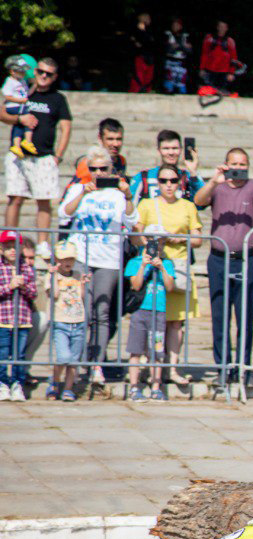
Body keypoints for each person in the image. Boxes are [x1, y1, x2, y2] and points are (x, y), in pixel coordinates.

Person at [193, 147, 253, 384]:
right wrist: (215, 179)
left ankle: (243, 368)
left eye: (243, 164)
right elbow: (198, 200)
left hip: (246, 259)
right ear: (225, 164)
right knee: (219, 315)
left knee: (245, 316)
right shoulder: (219, 186)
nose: (238, 168)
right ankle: (223, 367)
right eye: (234, 163)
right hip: (218, 259)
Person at [60, 155, 130, 390]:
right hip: (81, 256)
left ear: (111, 169)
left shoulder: (118, 193)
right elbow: (64, 213)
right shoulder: (78, 188)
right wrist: (83, 194)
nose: (99, 172)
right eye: (94, 168)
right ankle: (78, 362)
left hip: (108, 259)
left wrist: (128, 195)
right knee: (83, 310)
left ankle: (96, 364)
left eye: (104, 168)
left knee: (101, 312)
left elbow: (132, 219)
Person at [134, 168, 203, 388]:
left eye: (173, 180)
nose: (169, 185)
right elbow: (136, 233)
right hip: (152, 267)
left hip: (177, 266)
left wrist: (175, 239)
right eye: (163, 180)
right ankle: (150, 367)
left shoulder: (187, 206)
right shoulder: (147, 204)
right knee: (149, 318)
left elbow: (199, 239)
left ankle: (171, 368)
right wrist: (153, 244)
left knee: (175, 322)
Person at [5, 59, 69, 235]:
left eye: (48, 74)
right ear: (35, 71)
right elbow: (3, 113)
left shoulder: (58, 99)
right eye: (40, 71)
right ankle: (8, 240)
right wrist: (20, 119)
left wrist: (59, 155)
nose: (43, 76)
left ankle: (42, 244)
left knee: (44, 200)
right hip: (19, 154)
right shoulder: (23, 91)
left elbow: (66, 127)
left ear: (54, 77)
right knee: (15, 198)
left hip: (43, 156)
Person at [122, 229, 176, 400]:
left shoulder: (167, 263)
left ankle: (155, 386)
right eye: (153, 241)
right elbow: (135, 285)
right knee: (135, 350)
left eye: (160, 242)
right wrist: (144, 265)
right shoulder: (134, 262)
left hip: (158, 312)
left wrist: (161, 268)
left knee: (157, 351)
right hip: (140, 311)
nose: (157, 245)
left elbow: (170, 287)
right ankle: (134, 387)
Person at [39, 241, 85, 400]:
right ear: (57, 260)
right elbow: (55, 295)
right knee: (62, 357)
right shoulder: (52, 276)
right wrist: (52, 276)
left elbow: (81, 297)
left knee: (73, 360)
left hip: (78, 321)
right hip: (61, 321)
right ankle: (55, 383)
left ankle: (68, 388)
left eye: (71, 259)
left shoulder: (77, 275)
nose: (68, 263)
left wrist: (83, 284)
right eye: (64, 259)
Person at [0, 231, 29, 399]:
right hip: (3, 319)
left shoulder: (26, 268)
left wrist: (24, 287)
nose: (12, 250)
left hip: (22, 319)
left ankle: (17, 384)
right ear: (1, 249)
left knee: (20, 354)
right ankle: (3, 383)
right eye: (8, 247)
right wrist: (9, 286)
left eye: (15, 247)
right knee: (2, 352)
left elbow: (33, 293)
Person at [196, 20, 245, 106]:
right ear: (217, 27)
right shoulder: (209, 38)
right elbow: (204, 54)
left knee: (223, 92)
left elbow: (234, 58)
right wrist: (202, 69)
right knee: (207, 90)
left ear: (227, 28)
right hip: (210, 70)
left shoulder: (230, 41)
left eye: (224, 27)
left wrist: (231, 73)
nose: (222, 29)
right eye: (220, 26)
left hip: (224, 71)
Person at [160, 17, 193, 95]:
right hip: (170, 62)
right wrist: (180, 47)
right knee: (169, 84)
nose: (175, 26)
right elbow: (166, 49)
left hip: (182, 63)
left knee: (181, 86)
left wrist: (178, 46)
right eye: (174, 25)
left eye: (177, 25)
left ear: (181, 26)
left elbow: (190, 50)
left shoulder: (186, 36)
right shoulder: (167, 34)